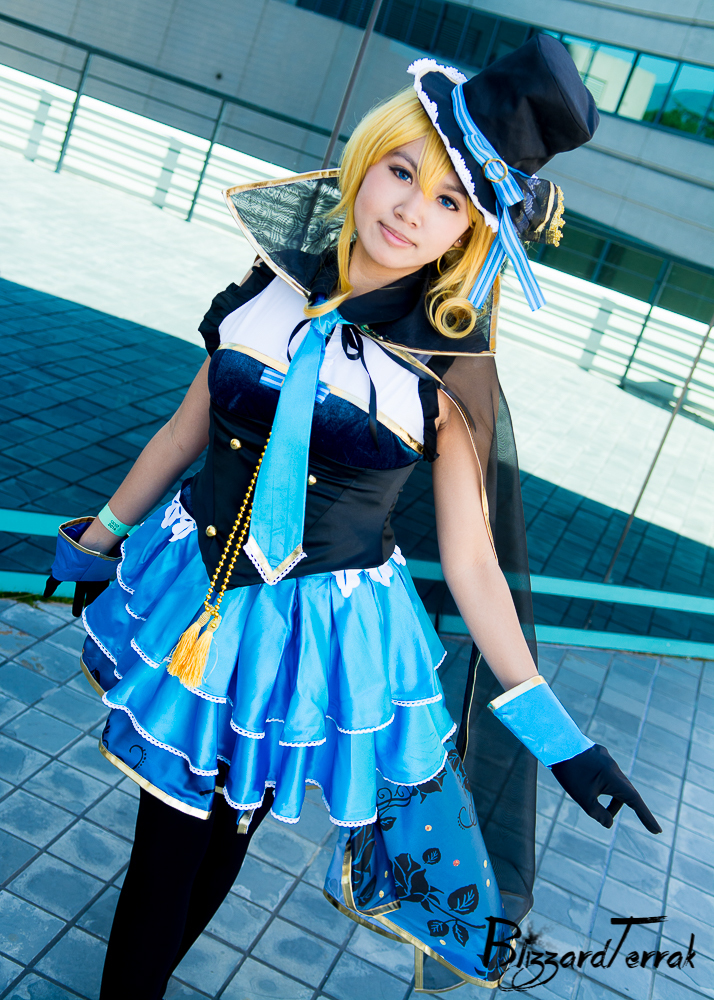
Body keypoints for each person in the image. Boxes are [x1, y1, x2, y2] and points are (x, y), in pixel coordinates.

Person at [46, 35, 661, 998]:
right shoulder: (270, 284)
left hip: (310, 636)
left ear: (473, 230)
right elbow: (183, 430)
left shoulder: (452, 367)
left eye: (450, 200)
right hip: (192, 591)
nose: (411, 210)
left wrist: (561, 738)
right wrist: (98, 539)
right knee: (170, 843)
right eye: (402, 172)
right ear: (366, 160)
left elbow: (473, 561)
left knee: (220, 833)